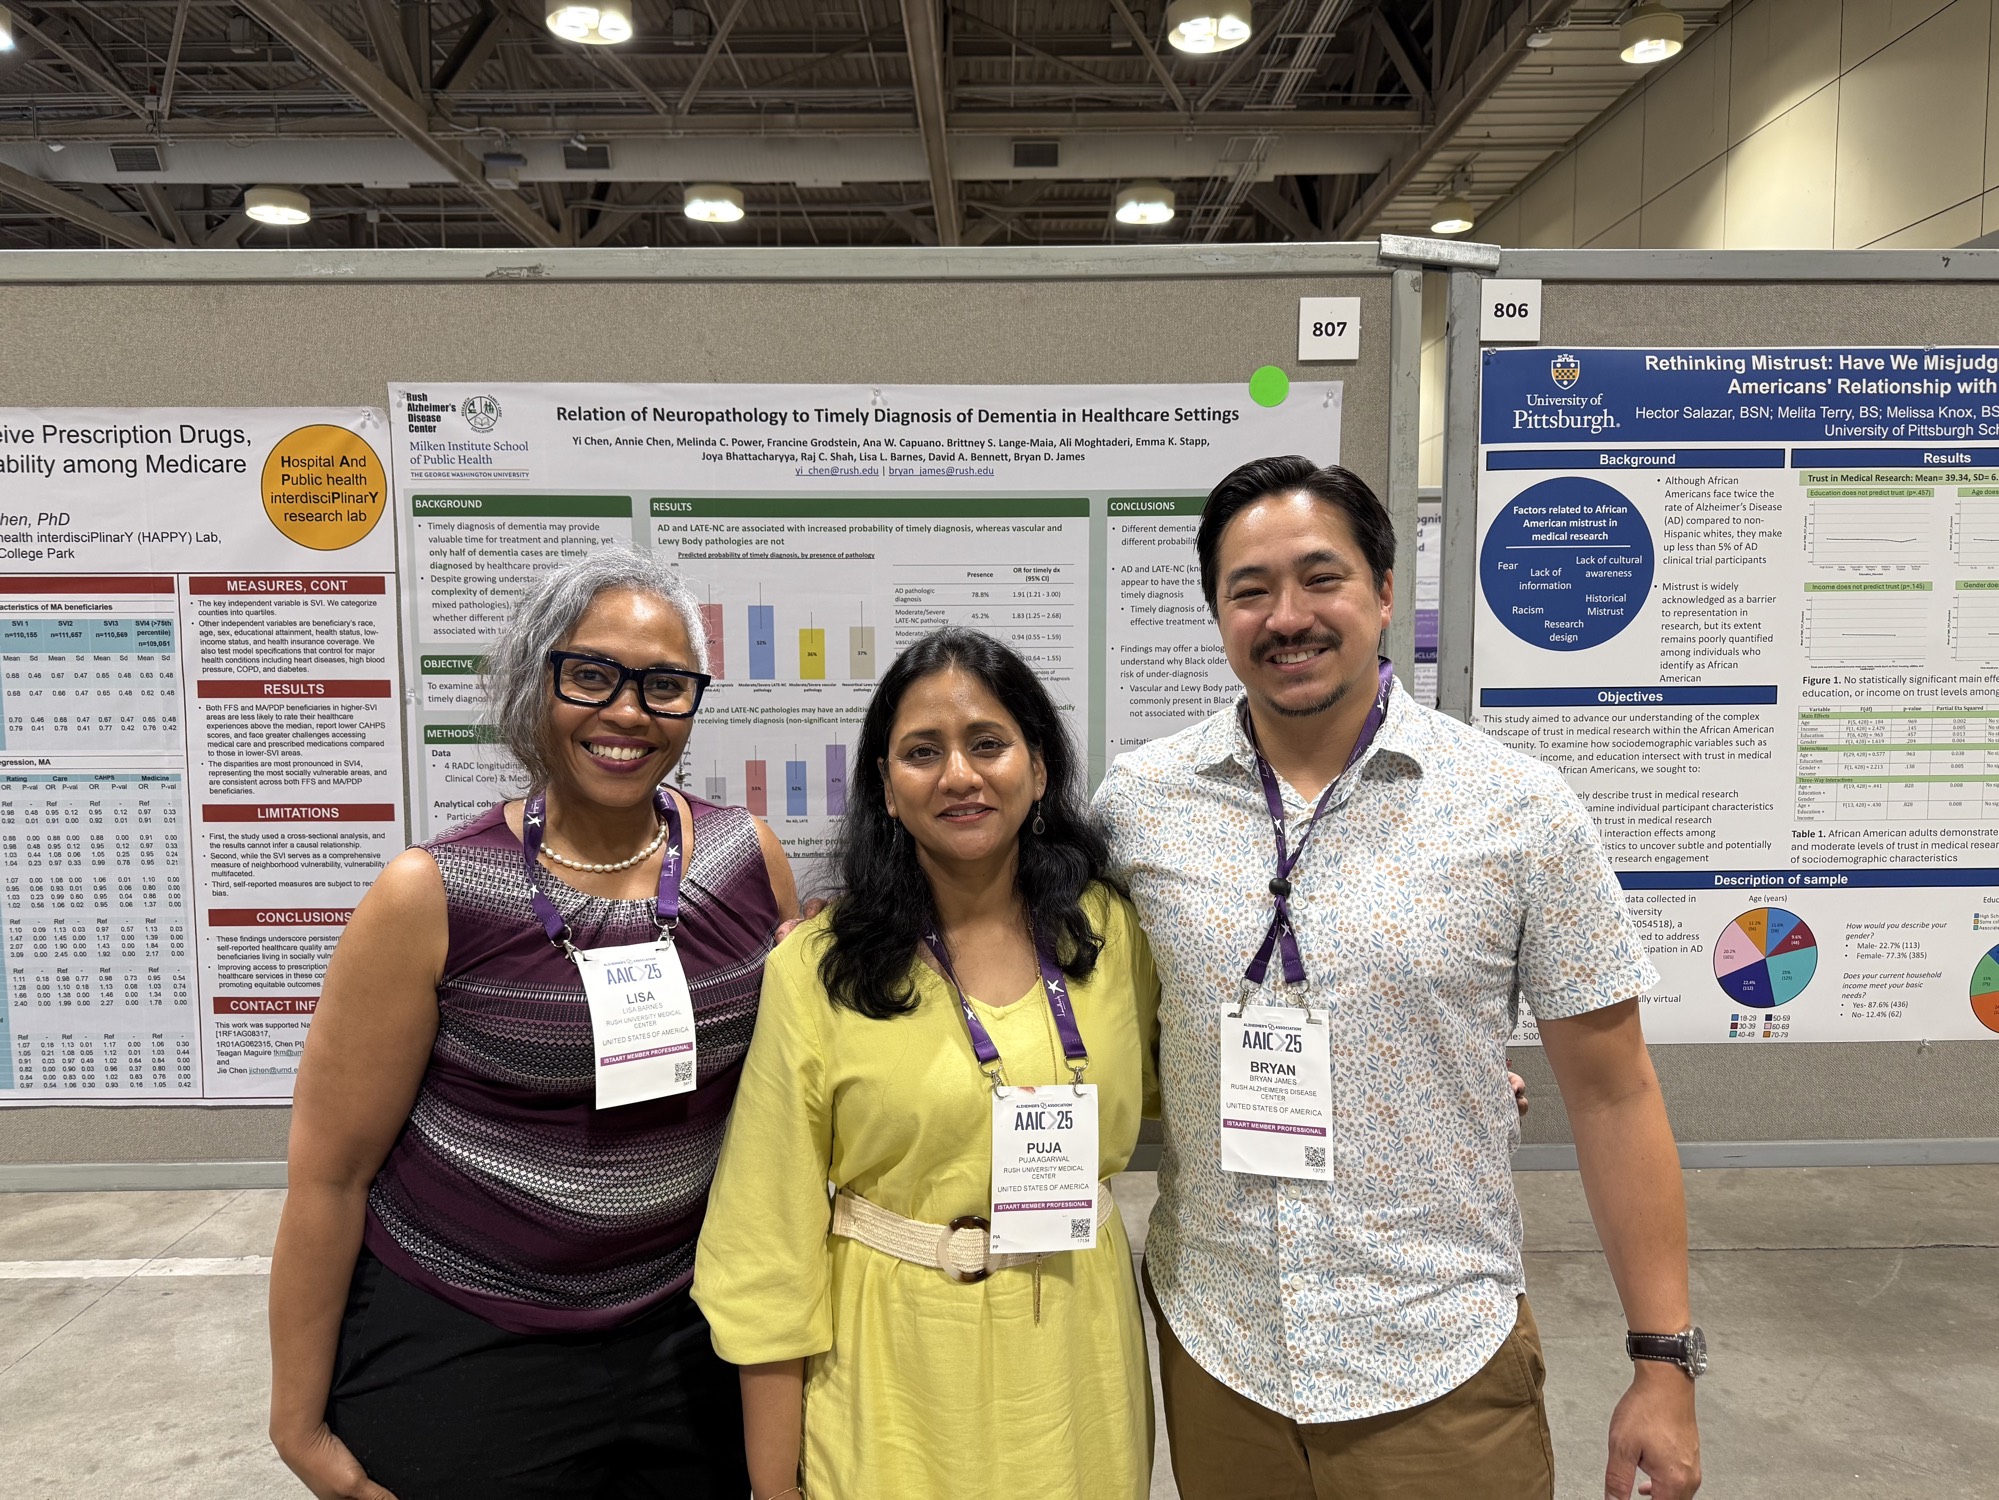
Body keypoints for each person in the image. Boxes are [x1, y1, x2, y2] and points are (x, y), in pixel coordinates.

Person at [1093, 456, 1703, 1500]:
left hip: (1434, 1362)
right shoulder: (1138, 807)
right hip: (1219, 1356)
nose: (1287, 616)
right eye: (1249, 590)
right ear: (1217, 615)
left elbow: (1615, 1091)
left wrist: (1664, 1361)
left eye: (1320, 578)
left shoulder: (1518, 809)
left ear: (1383, 593)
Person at [268, 549, 796, 1500]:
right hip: (471, 1331)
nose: (628, 712)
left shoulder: (744, 859)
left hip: (693, 1326)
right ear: (532, 682)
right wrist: (297, 1423)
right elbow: (329, 1176)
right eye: (590, 675)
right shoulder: (431, 894)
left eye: (664, 685)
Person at [693, 627, 1158, 1500]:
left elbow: (1188, 1085)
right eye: (921, 752)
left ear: (1039, 769)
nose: (958, 775)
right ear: (885, 786)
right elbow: (766, 1246)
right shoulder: (818, 967)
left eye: (987, 743)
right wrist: (772, 1485)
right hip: (890, 1369)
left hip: (1075, 1356)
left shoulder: (1105, 932)